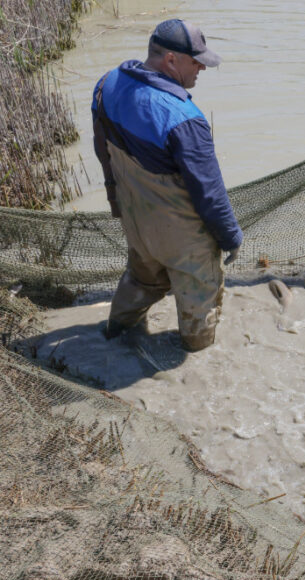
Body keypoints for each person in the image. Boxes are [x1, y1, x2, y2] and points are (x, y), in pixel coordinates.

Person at [92, 18, 242, 352]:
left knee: (142, 279)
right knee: (198, 304)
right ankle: (197, 361)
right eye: (196, 60)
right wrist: (231, 238)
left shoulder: (108, 84)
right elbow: (210, 194)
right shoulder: (185, 119)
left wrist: (117, 203)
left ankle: (114, 336)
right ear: (171, 60)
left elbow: (102, 148)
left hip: (137, 222)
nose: (202, 67)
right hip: (183, 239)